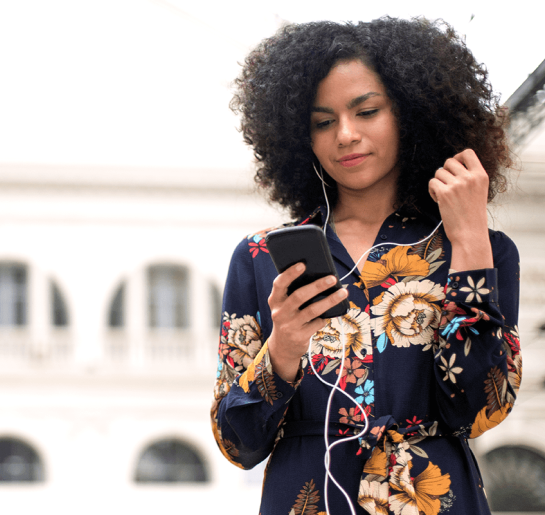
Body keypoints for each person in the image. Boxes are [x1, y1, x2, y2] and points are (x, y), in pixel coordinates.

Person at [211, 17, 521, 515]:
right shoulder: (260, 257)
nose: (346, 135)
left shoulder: (486, 249)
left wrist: (468, 241)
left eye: (367, 111)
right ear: (300, 136)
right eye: (323, 121)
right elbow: (237, 444)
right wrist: (285, 344)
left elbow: (481, 408)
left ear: (411, 114)